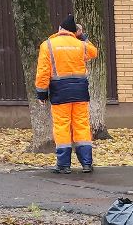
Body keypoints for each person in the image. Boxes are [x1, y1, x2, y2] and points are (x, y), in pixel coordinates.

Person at [34, 15, 99, 173]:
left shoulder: (48, 45)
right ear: (74, 31)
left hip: (59, 92)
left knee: (62, 126)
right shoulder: (80, 45)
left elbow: (43, 72)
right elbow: (94, 52)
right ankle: (86, 163)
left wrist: (42, 93)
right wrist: (82, 36)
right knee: (81, 125)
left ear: (60, 29)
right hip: (80, 92)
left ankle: (63, 165)